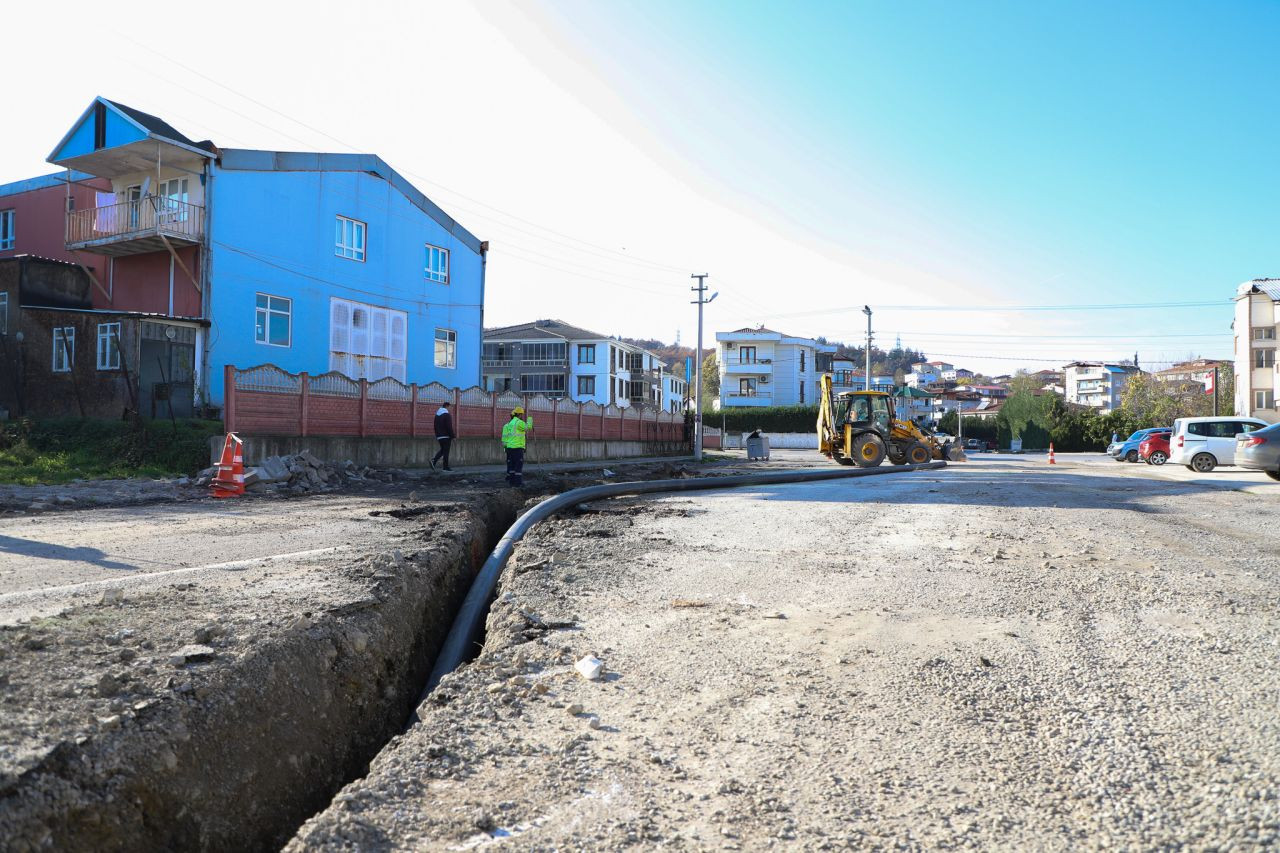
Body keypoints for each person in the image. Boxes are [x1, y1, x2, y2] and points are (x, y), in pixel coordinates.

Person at [501, 406, 533, 487]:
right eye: (522, 414)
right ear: (519, 414)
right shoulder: (519, 422)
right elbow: (528, 427)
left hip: (510, 448)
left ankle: (512, 482)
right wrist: (530, 418)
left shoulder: (510, 423)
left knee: (511, 466)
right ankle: (518, 484)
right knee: (518, 466)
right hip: (517, 448)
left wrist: (505, 447)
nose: (522, 415)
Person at [431, 401, 456, 471]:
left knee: (443, 451)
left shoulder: (437, 415)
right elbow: (449, 427)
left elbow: (435, 426)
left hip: (439, 436)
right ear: (447, 406)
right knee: (446, 452)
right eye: (450, 407)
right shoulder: (447, 415)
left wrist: (437, 435)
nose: (450, 408)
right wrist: (453, 436)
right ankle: (445, 467)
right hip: (446, 436)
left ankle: (434, 461)